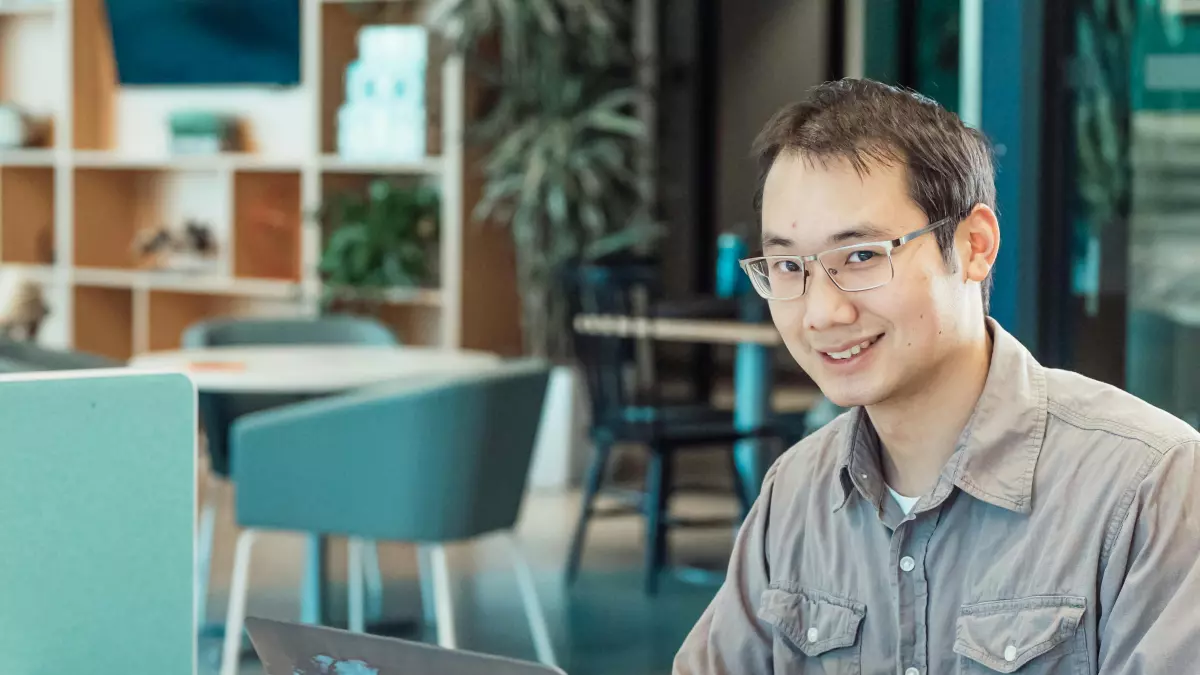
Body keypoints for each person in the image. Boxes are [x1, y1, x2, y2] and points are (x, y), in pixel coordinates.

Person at [673, 78, 1200, 674]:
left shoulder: (1145, 483)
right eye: (789, 265)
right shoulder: (793, 493)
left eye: (863, 255)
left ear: (975, 245)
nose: (822, 312)